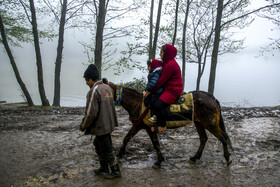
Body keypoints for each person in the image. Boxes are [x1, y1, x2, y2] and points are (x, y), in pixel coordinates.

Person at [78, 64, 121, 179]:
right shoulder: (107, 88)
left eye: (86, 81)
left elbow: (91, 113)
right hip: (109, 123)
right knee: (98, 144)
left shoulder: (94, 91)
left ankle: (116, 170)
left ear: (90, 79)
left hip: (101, 126)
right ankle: (104, 167)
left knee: (106, 148)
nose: (86, 83)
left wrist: (83, 125)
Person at [143, 44, 183, 132]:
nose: (160, 54)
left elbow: (160, 82)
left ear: (167, 53)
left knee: (158, 105)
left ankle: (162, 125)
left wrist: (149, 91)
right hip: (168, 88)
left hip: (173, 90)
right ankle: (155, 120)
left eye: (161, 52)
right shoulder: (167, 63)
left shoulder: (170, 65)